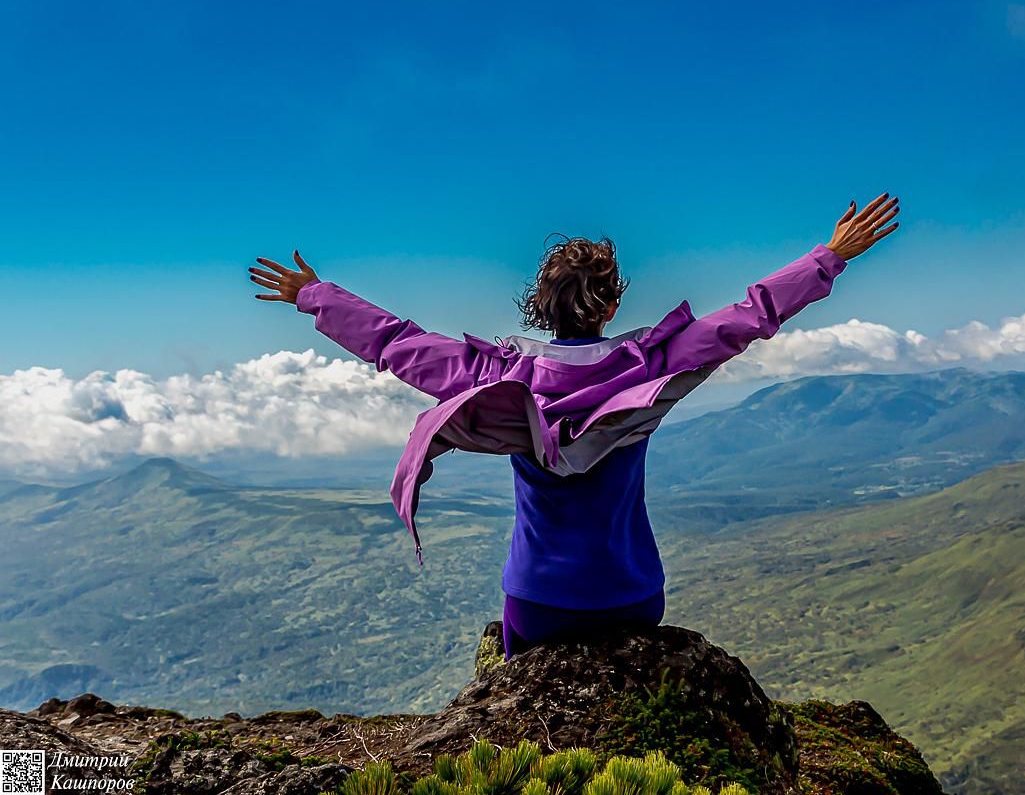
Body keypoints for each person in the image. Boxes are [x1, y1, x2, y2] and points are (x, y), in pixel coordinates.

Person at [249, 193, 899, 660]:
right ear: (613, 304)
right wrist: (829, 256)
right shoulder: (650, 372)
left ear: (541, 307)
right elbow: (748, 315)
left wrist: (315, 295)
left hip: (537, 602)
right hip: (633, 595)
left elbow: (400, 344)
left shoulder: (499, 379)